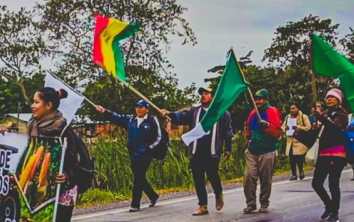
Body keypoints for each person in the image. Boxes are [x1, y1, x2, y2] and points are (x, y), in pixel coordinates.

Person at [9, 87, 83, 222]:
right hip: (37, 185)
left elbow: (73, 160)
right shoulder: (33, 124)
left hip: (62, 188)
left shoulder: (63, 129)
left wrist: (65, 176)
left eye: (36, 102)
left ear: (48, 105)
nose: (32, 106)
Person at [161, 87, 233, 215]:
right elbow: (181, 116)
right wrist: (169, 114)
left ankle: (218, 193)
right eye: (202, 94)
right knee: (198, 178)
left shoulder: (221, 113)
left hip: (212, 150)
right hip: (196, 149)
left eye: (206, 93)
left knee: (212, 175)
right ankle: (203, 205)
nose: (203, 96)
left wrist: (228, 148)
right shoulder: (194, 111)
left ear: (213, 96)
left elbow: (228, 132)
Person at [96, 100, 162, 212]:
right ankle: (153, 195)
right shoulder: (131, 119)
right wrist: (105, 112)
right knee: (140, 178)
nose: (138, 109)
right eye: (137, 107)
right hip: (133, 154)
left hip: (145, 155)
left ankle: (135, 204)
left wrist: (148, 148)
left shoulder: (151, 120)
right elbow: (117, 118)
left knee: (138, 179)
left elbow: (158, 137)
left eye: (141, 107)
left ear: (147, 109)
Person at [311, 89, 349, 222]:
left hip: (337, 153)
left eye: (332, 97)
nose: (329, 99)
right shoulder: (325, 114)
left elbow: (335, 128)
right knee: (316, 183)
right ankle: (329, 205)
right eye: (327, 97)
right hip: (323, 153)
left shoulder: (342, 114)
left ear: (338, 100)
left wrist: (321, 117)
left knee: (333, 183)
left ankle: (335, 214)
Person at [243, 89, 281, 214]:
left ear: (265, 99)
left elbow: (277, 132)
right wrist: (247, 142)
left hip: (267, 149)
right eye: (256, 98)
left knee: (265, 179)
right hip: (253, 149)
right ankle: (251, 203)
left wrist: (268, 126)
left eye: (260, 99)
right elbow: (248, 129)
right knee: (249, 176)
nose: (257, 101)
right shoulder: (253, 113)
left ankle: (264, 203)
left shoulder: (272, 111)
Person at [284, 103, 311, 181]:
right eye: (291, 108)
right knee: (291, 158)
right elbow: (283, 126)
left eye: (293, 108)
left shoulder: (303, 117)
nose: (292, 110)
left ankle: (301, 171)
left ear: (298, 108)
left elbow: (308, 127)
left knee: (299, 157)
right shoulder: (287, 117)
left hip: (299, 140)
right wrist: (286, 128)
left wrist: (298, 127)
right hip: (290, 141)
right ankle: (294, 174)